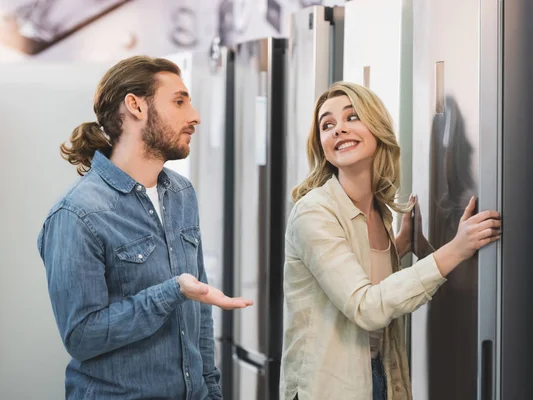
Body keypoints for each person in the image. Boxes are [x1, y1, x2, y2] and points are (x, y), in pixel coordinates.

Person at [37, 55, 253, 399]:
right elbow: (81, 336)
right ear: (135, 106)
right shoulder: (77, 214)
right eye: (179, 102)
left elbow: (198, 312)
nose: (194, 116)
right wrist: (171, 292)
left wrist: (210, 390)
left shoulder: (181, 193)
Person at [279, 82, 501, 400]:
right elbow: (365, 306)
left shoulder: (378, 211)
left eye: (351, 117)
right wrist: (457, 247)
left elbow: (360, 276)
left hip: (379, 376)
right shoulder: (314, 213)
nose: (338, 129)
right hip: (329, 388)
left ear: (377, 127)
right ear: (322, 144)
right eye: (327, 125)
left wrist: (407, 246)